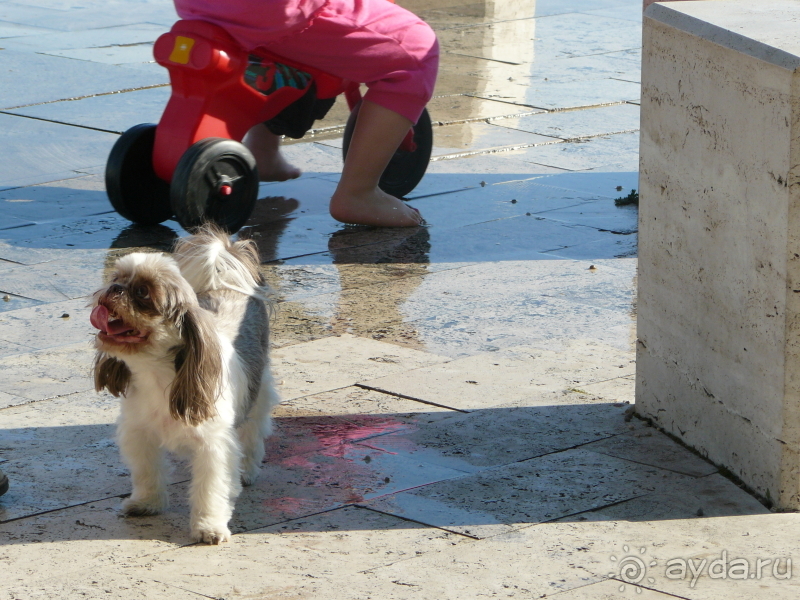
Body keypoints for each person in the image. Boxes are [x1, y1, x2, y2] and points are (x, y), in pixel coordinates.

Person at [174, 0, 438, 227]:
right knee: (415, 51)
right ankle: (358, 193)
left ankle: (262, 151)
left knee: (278, 41)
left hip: (202, 6)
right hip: (275, 10)